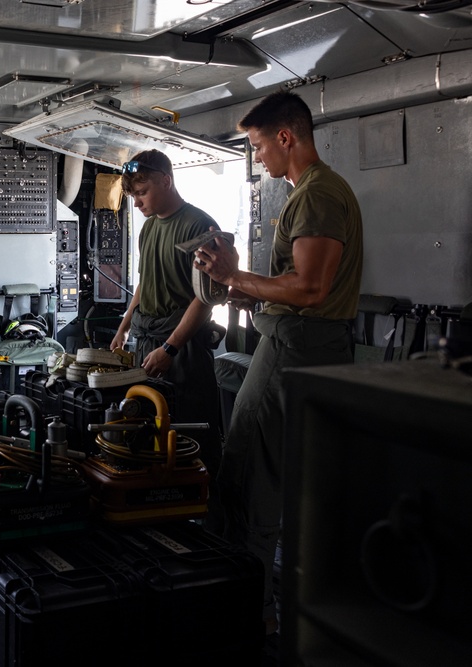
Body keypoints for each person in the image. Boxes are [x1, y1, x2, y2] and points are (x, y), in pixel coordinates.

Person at [194, 90, 363, 634]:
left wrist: (231, 278)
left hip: (296, 347)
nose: (258, 157)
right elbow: (299, 286)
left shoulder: (315, 194)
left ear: (286, 138)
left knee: (248, 473)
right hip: (308, 340)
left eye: (260, 145)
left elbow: (312, 288)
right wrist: (250, 293)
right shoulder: (311, 193)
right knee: (289, 480)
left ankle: (249, 616)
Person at [109, 148, 223, 516]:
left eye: (142, 193)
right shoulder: (149, 228)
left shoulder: (199, 226)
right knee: (146, 437)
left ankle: (206, 519)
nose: (138, 203)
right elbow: (144, 282)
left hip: (182, 349)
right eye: (133, 197)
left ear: (166, 180)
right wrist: (124, 326)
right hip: (146, 340)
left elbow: (204, 299)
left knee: (191, 437)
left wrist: (171, 349)